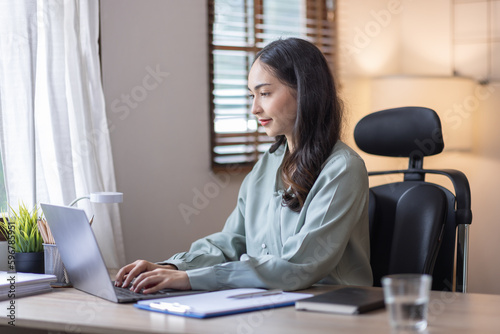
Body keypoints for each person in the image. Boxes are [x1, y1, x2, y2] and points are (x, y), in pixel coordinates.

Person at [115, 37, 372, 294]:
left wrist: (192, 279)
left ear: (305, 92)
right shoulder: (267, 165)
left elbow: (298, 265)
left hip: (329, 310)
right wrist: (175, 267)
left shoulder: (343, 169)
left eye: (265, 93)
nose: (254, 108)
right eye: (252, 95)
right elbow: (232, 242)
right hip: (273, 303)